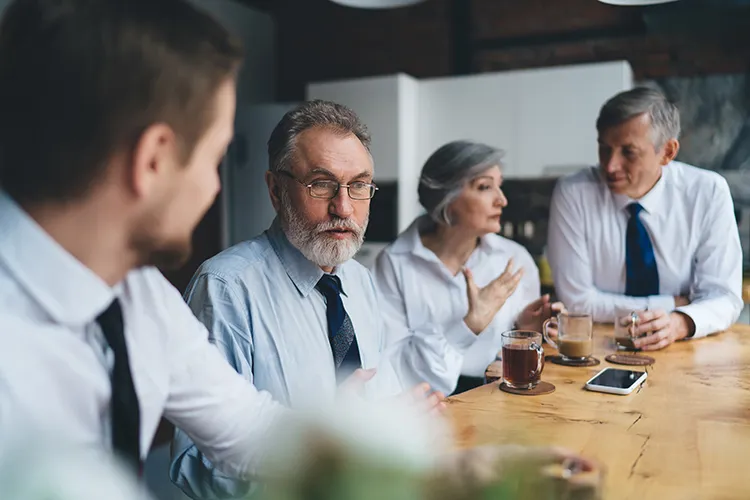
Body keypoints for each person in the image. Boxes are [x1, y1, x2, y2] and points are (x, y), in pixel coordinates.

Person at [171, 102, 534, 498]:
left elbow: (382, 409)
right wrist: (318, 452)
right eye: (321, 184)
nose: (343, 208)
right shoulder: (226, 288)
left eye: (359, 186)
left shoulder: (360, 281)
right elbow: (195, 468)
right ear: (276, 190)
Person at [0, 0, 295, 479]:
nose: (214, 186)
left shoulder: (142, 295)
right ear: (153, 160)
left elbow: (247, 430)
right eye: (214, 158)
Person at [547, 87, 743, 351]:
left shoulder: (707, 193)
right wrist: (674, 303)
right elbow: (577, 302)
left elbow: (725, 297)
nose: (610, 166)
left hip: (684, 348)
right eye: (604, 149)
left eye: (628, 152)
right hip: (597, 349)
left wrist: (680, 322)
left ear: (668, 152)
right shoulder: (573, 193)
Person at [373, 141, 562, 395]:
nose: (502, 200)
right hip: (427, 408)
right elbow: (395, 371)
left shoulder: (515, 258)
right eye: (485, 187)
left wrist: (525, 327)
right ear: (446, 199)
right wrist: (470, 324)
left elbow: (521, 353)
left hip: (501, 398)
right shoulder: (394, 264)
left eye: (500, 186)